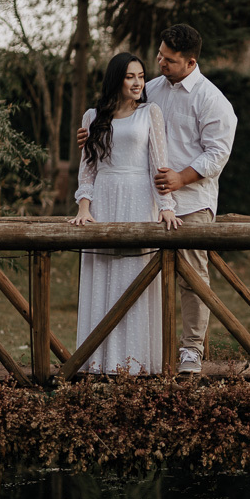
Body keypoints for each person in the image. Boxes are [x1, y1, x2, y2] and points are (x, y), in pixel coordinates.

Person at [78, 25, 237, 374]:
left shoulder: (212, 100)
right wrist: (92, 135)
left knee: (192, 276)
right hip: (145, 203)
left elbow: (218, 154)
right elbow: (118, 118)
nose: (160, 62)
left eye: (170, 59)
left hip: (191, 201)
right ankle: (142, 354)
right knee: (139, 276)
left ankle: (191, 350)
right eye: (160, 55)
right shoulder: (150, 89)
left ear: (190, 61)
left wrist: (182, 177)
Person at [69, 52, 182, 375]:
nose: (137, 83)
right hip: (104, 200)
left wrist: (167, 207)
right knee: (102, 274)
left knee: (134, 276)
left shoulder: (151, 113)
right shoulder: (93, 116)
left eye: (141, 77)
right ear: (116, 79)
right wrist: (84, 208)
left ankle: (135, 362)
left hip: (137, 197)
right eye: (131, 76)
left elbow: (158, 165)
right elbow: (87, 170)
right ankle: (97, 359)